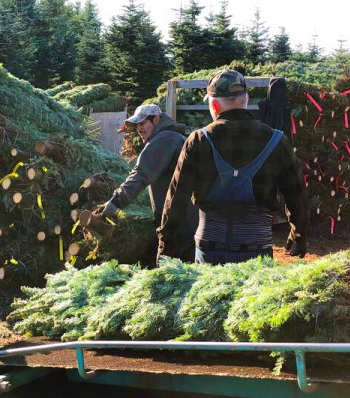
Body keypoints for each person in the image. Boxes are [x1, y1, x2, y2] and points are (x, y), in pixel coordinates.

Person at [158, 69, 309, 265]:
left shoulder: (198, 140)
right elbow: (296, 194)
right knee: (254, 296)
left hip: (209, 249)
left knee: (209, 295)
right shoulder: (277, 140)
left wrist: (166, 246)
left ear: (213, 105)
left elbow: (176, 199)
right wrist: (299, 235)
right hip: (257, 250)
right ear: (246, 99)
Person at [98, 104, 198, 263]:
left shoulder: (164, 139)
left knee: (171, 271)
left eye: (143, 123)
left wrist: (116, 202)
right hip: (186, 217)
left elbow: (141, 174)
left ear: (156, 119)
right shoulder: (173, 137)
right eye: (137, 125)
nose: (139, 129)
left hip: (179, 221)